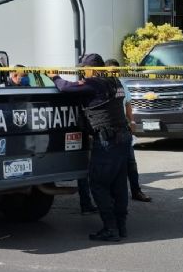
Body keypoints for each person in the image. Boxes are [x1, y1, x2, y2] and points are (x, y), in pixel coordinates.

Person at [50, 54, 132, 242]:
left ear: (93, 69)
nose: (83, 72)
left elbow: (65, 87)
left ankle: (110, 228)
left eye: (84, 68)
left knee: (99, 184)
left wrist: (54, 76)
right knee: (119, 185)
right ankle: (121, 226)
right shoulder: (115, 82)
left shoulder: (95, 83)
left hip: (108, 141)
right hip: (122, 138)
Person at [105, 58, 152, 202]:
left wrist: (132, 120)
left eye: (116, 71)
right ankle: (112, 195)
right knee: (111, 164)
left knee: (131, 162)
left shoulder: (122, 84)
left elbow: (128, 104)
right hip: (109, 131)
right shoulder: (103, 86)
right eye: (111, 71)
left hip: (123, 130)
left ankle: (136, 191)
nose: (114, 74)